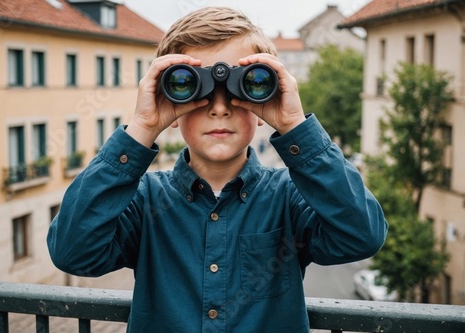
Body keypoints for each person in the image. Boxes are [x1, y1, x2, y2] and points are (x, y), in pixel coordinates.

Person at [47, 6, 388, 332]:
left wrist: (294, 124)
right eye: (190, 87)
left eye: (248, 86)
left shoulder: (289, 198)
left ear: (261, 104)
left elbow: (362, 235)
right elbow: (72, 252)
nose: (220, 108)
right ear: (171, 103)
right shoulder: (143, 201)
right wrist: (142, 127)